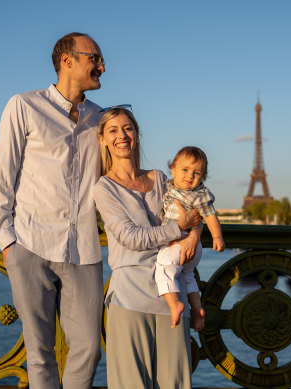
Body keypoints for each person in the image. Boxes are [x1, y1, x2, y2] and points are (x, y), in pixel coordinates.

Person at [0, 32, 106, 389]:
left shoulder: (102, 119)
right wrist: (9, 244)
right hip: (30, 244)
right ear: (67, 60)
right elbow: (2, 179)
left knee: (88, 347)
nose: (102, 67)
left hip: (84, 249)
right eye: (94, 59)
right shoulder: (23, 106)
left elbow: (123, 178)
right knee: (39, 353)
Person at [93, 106, 202, 389]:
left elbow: (195, 210)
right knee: (130, 384)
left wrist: (194, 235)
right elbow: (130, 238)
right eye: (113, 130)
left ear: (137, 134)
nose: (122, 135)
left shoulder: (161, 179)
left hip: (171, 297)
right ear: (103, 139)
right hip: (130, 297)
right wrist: (179, 229)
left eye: (128, 128)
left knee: (176, 383)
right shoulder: (104, 188)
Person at [156, 146, 225, 331]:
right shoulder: (170, 186)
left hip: (180, 243)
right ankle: (197, 309)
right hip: (194, 248)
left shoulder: (200, 195)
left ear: (202, 177)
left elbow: (211, 217)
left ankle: (175, 304)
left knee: (163, 268)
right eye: (185, 170)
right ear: (173, 170)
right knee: (188, 276)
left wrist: (217, 236)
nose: (190, 176)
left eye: (196, 173)